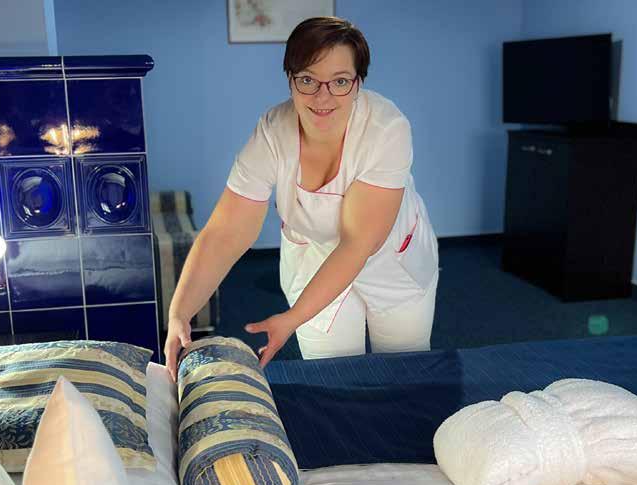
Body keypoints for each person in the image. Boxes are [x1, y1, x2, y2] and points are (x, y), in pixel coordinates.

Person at [164, 16, 439, 379]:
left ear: (358, 83)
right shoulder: (272, 134)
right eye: (308, 79)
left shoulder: (386, 129)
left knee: (403, 372)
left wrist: (292, 318)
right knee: (333, 378)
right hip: (315, 260)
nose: (322, 97)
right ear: (290, 79)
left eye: (340, 81)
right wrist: (180, 312)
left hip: (390, 260)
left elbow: (358, 243)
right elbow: (226, 232)